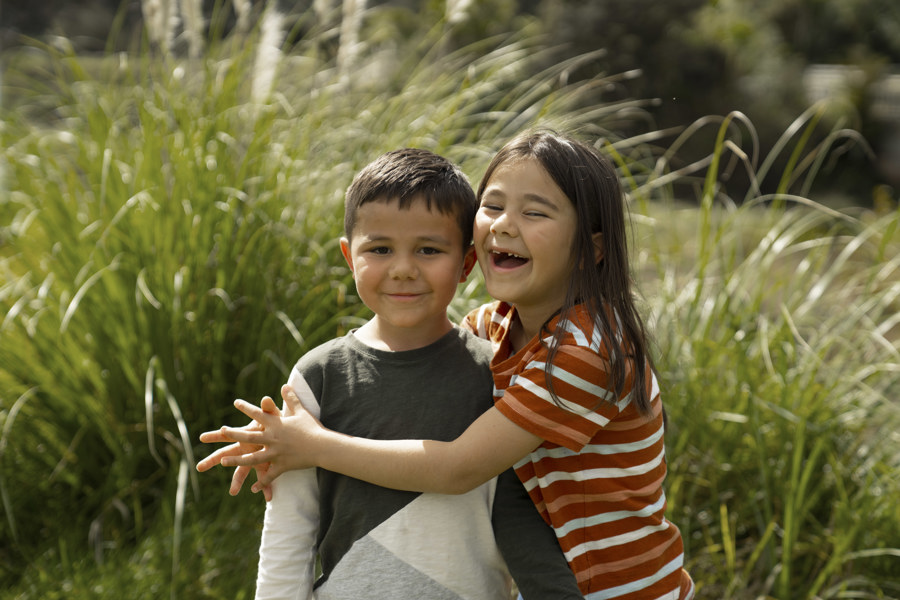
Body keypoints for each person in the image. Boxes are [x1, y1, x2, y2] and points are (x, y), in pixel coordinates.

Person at [205, 131, 695, 599]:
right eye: (495, 205)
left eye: (535, 212)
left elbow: (458, 468)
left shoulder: (588, 350)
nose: (505, 224)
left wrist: (313, 445)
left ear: (592, 248)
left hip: (621, 588)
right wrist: (286, 446)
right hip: (541, 579)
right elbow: (424, 359)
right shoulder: (494, 326)